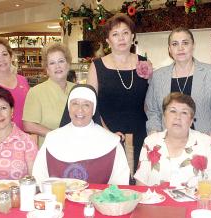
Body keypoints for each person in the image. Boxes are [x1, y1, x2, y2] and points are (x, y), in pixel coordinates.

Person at [87, 13, 150, 172]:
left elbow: (151, 103)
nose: (121, 38)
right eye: (115, 34)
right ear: (108, 41)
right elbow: (90, 105)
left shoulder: (145, 63)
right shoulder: (96, 66)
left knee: (139, 181)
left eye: (125, 33)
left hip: (141, 134)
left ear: (132, 37)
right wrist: (106, 133)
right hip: (106, 133)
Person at [145, 27, 211, 143]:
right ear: (170, 49)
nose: (180, 48)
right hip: (168, 143)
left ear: (193, 46)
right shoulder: (158, 76)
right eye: (175, 44)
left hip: (204, 142)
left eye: (185, 43)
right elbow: (153, 111)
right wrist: (154, 132)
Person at [32, 84, 130, 185]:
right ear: (69, 107)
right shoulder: (52, 139)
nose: (80, 110)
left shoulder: (111, 142)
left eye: (86, 105)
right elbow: (39, 176)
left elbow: (120, 182)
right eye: (75, 104)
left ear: (94, 109)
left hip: (99, 200)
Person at [135, 93, 211, 187]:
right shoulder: (151, 142)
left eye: (184, 113)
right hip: (157, 201)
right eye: (172, 111)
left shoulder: (205, 143)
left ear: (191, 121)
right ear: (164, 117)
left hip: (195, 201)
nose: (177, 117)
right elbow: (140, 185)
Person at [23, 43, 76, 146]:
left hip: (76, 147)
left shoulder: (77, 89)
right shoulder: (36, 92)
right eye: (52, 63)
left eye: (61, 61)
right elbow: (28, 125)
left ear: (68, 65)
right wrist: (56, 135)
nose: (58, 66)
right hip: (49, 150)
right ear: (47, 69)